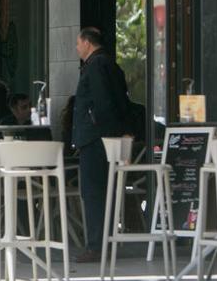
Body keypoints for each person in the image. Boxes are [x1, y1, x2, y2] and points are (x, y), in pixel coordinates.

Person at [72, 27, 130, 262]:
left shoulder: (96, 66)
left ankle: (96, 246)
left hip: (96, 139)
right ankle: (104, 242)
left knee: (94, 192)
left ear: (87, 42)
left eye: (78, 43)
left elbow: (102, 101)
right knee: (103, 191)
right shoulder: (110, 64)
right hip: (104, 138)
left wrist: (94, 126)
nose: (76, 48)